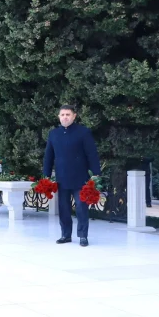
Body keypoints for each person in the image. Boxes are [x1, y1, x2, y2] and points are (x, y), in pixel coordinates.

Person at [43, 105, 101, 247]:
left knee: (81, 207)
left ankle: (82, 236)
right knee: (63, 208)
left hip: (80, 177)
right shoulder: (53, 134)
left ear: (74, 116)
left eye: (68, 114)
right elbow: (48, 156)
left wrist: (95, 174)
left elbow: (92, 154)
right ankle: (65, 234)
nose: (65, 117)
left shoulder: (83, 132)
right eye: (62, 114)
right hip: (61, 178)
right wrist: (46, 175)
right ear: (59, 117)